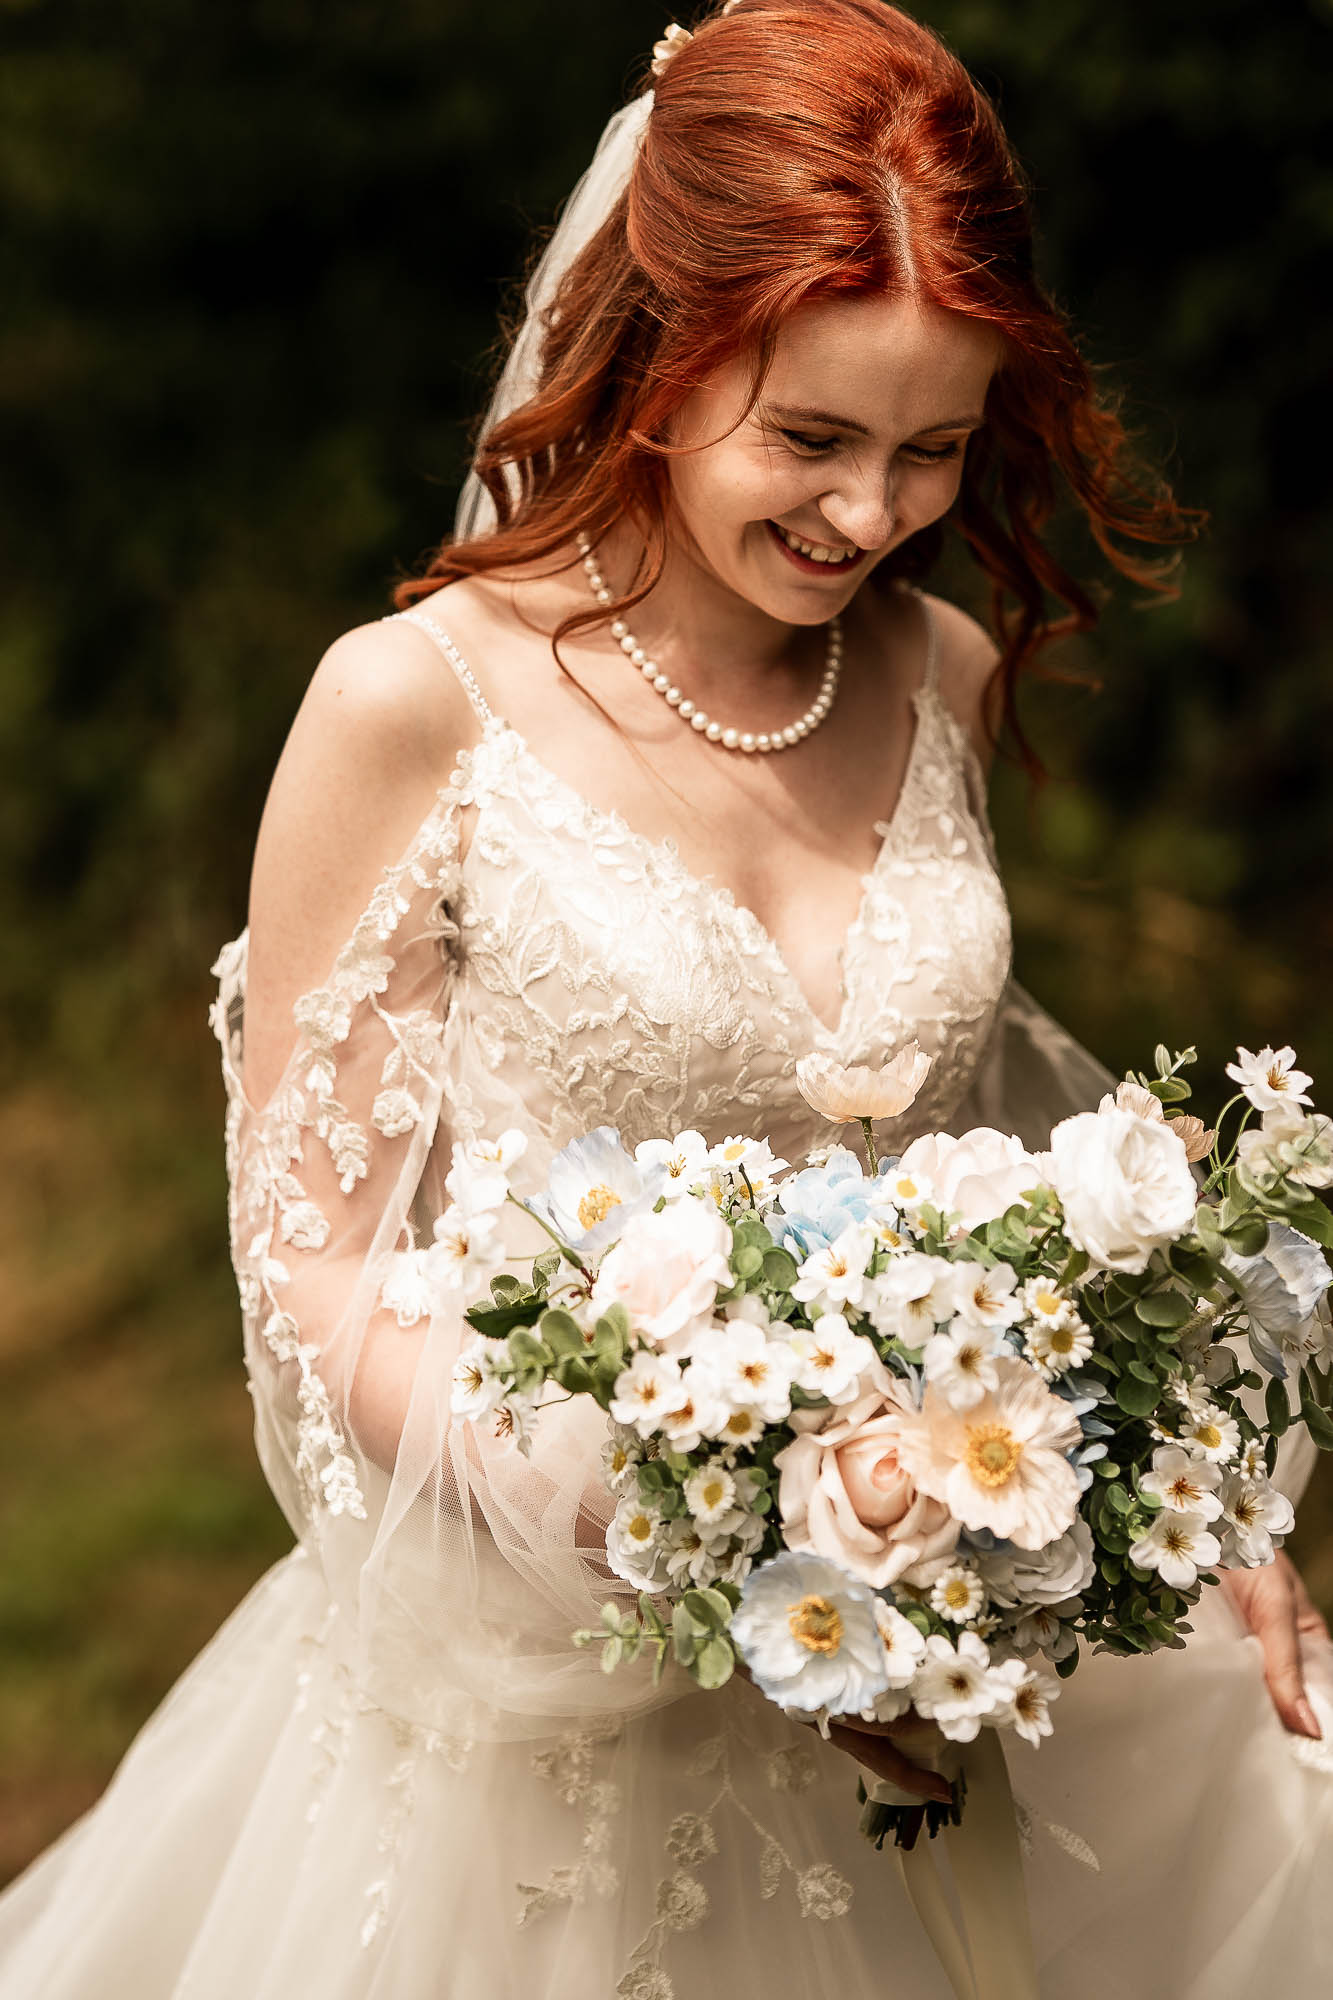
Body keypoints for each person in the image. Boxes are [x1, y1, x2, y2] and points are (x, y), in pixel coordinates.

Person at [1, 3, 1330, 1994]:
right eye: (809, 436)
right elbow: (316, 1253)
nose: (872, 513)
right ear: (653, 353)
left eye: (935, 448)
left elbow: (962, 1157)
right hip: (554, 1672)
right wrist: (648, 1502)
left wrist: (1158, 1485)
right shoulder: (411, 708)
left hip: (919, 1662)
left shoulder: (938, 668)